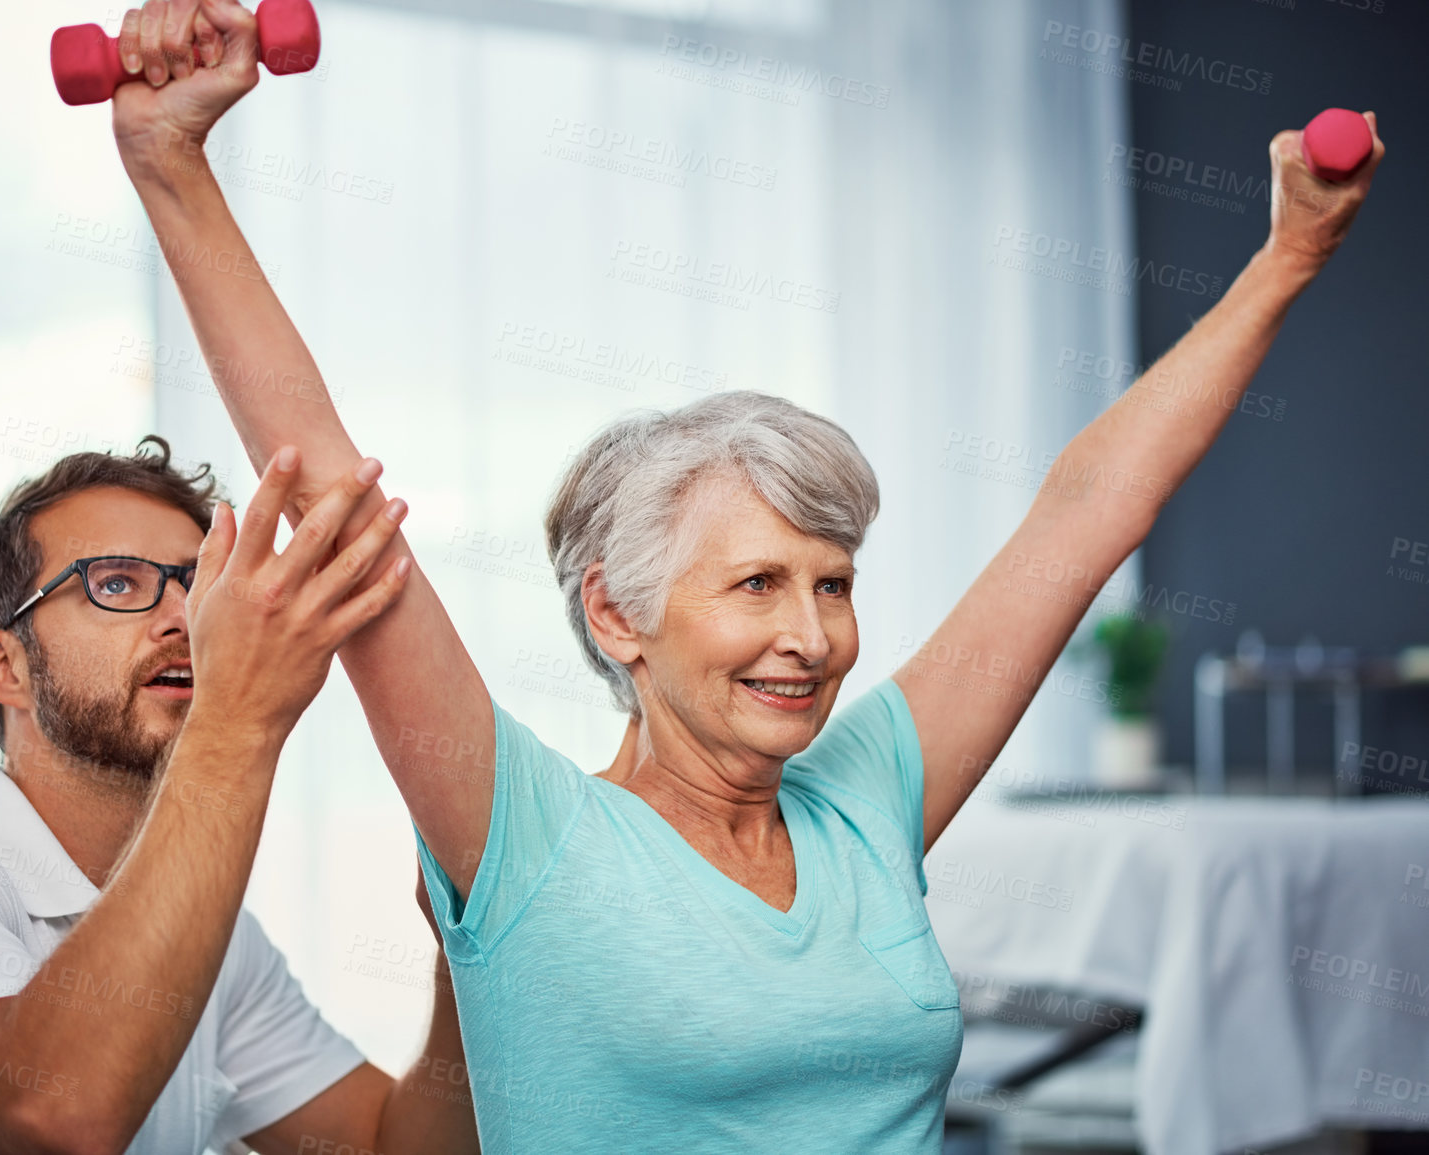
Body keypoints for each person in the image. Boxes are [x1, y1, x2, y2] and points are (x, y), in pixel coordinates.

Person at [108, 2, 1385, 1148]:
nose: (815, 637)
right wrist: (172, 166)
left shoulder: (866, 801)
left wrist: (1286, 259)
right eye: (757, 585)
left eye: (832, 584)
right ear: (618, 614)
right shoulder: (525, 836)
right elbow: (330, 484)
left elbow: (1083, 517)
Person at [0, 436, 481, 1155]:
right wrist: (240, 715)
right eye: (117, 583)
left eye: (202, 585)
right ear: (2, 665)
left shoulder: (213, 940)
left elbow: (389, 1144)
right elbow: (56, 1114)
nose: (186, 621)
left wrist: (462, 945)